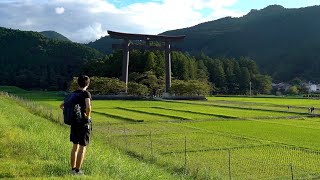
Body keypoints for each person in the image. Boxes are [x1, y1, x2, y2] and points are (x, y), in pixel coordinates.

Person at [60, 75, 92, 175]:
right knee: (83, 146)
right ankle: (78, 171)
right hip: (83, 123)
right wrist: (87, 116)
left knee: (75, 146)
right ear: (88, 83)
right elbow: (88, 107)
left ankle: (73, 169)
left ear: (78, 83)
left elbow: (61, 106)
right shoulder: (86, 93)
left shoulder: (72, 94)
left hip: (74, 123)